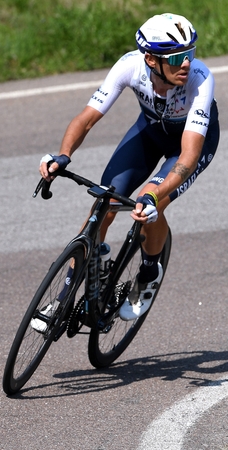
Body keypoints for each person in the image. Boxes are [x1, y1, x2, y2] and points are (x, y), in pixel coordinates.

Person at [32, 13, 219, 331]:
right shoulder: (130, 65)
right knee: (104, 201)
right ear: (151, 59)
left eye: (190, 54)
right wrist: (63, 155)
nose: (186, 63)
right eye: (176, 57)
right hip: (148, 133)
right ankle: (62, 296)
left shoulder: (201, 79)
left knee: (151, 202)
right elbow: (87, 118)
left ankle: (148, 274)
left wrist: (154, 193)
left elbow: (188, 155)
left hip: (188, 145)